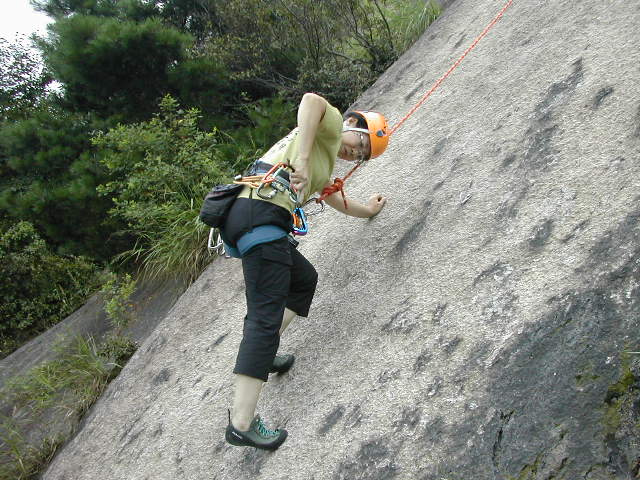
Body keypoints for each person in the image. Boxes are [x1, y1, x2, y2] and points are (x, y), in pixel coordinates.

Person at [222, 92, 389, 450]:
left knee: (303, 281)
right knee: (264, 319)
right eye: (360, 143)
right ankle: (241, 423)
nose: (355, 153)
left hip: (257, 216)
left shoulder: (323, 164)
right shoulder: (330, 126)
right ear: (353, 124)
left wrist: (369, 210)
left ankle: (264, 352)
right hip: (260, 214)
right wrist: (302, 160)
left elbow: (337, 200)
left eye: (362, 156)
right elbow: (311, 101)